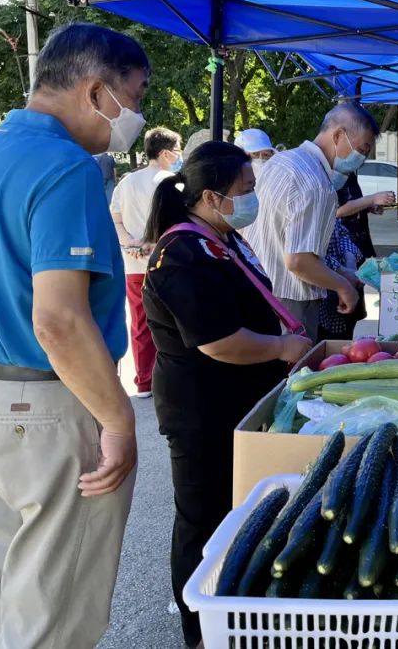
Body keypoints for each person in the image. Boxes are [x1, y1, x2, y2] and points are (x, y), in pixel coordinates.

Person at [0, 22, 143, 648]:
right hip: (43, 406)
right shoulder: (66, 168)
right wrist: (119, 422)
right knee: (54, 615)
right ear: (97, 91)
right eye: (137, 94)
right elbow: (58, 320)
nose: (135, 114)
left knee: (17, 589)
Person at [142, 141, 312, 648]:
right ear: (213, 197)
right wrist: (283, 345)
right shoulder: (181, 254)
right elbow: (220, 342)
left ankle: (236, 611)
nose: (252, 199)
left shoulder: (220, 239)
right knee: (202, 518)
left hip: (236, 403)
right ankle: (199, 630)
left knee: (238, 512)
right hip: (202, 412)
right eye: (246, 191)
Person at [245, 100, 371, 340]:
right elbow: (299, 261)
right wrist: (344, 288)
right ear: (339, 136)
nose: (361, 159)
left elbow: (287, 240)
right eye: (362, 150)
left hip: (259, 288)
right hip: (289, 301)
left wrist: (339, 272)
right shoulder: (316, 183)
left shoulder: (282, 161)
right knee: (292, 373)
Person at [110, 126, 182, 398]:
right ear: (164, 153)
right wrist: (151, 244)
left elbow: (115, 218)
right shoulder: (173, 181)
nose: (178, 156)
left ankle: (143, 380)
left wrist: (132, 244)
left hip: (134, 265)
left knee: (140, 323)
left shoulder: (126, 182)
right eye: (176, 151)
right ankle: (170, 380)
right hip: (166, 262)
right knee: (172, 322)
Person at [318, 172, 392, 340]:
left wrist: (350, 265)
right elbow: (304, 258)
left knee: (348, 322)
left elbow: (340, 231)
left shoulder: (348, 175)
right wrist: (343, 274)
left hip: (349, 257)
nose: (361, 155)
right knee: (329, 333)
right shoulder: (322, 181)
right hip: (327, 280)